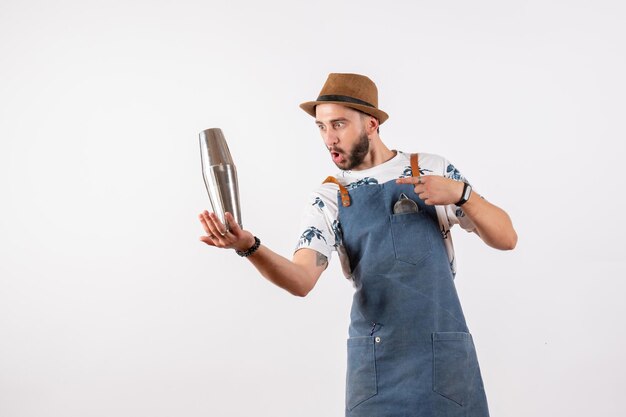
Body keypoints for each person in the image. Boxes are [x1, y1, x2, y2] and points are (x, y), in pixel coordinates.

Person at [198, 73, 517, 417]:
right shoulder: (330, 197)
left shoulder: (429, 169)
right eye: (321, 127)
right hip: (377, 367)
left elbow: (506, 238)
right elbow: (300, 280)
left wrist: (461, 195)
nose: (329, 138)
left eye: (339, 124)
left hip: (446, 361)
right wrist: (249, 246)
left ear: (371, 124)